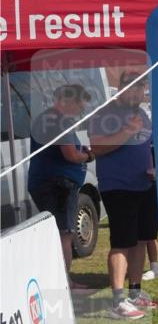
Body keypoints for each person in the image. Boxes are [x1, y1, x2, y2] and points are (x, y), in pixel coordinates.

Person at [89, 73, 158, 319]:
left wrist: (153, 168)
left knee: (141, 239)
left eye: (141, 89)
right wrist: (128, 131)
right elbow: (97, 147)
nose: (138, 93)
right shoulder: (104, 114)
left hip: (144, 184)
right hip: (118, 187)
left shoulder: (142, 115)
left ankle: (135, 292)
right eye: (133, 88)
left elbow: (147, 147)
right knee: (122, 242)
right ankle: (118, 302)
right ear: (120, 88)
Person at [27, 84, 95, 287]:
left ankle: (61, 280)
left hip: (46, 182)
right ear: (69, 101)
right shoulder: (60, 121)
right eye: (79, 107)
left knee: (59, 232)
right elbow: (71, 155)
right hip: (58, 185)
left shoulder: (44, 119)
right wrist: (89, 155)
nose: (79, 112)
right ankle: (65, 284)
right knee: (65, 233)